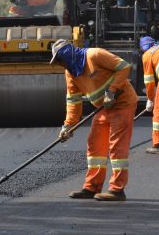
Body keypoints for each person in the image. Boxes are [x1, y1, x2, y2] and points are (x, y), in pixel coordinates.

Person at [50, 39, 138, 201]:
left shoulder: (95, 55)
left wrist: (111, 92)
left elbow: (124, 66)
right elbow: (73, 101)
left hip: (122, 103)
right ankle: (92, 187)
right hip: (103, 108)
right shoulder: (71, 72)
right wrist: (68, 126)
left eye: (60, 60)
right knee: (95, 144)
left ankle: (117, 190)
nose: (60, 65)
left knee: (117, 146)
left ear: (67, 54)